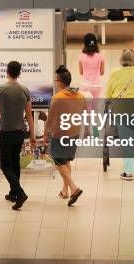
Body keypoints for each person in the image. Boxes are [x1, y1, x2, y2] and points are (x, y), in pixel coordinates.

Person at [0, 61, 35, 210]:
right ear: (19, 73)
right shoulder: (25, 90)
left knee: (5, 164)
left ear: (7, 71)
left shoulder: (0, 89)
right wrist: (32, 134)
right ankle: (13, 193)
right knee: (14, 162)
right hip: (20, 132)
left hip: (6, 132)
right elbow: (29, 115)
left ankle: (19, 193)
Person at [44, 65, 86, 206]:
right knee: (66, 161)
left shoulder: (57, 98)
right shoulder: (80, 96)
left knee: (59, 162)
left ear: (60, 82)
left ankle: (74, 188)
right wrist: (87, 132)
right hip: (74, 134)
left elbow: (50, 119)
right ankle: (65, 190)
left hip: (60, 134)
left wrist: (44, 134)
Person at [105, 49, 134, 181]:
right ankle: (133, 162)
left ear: (121, 60)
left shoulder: (115, 73)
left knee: (126, 141)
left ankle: (128, 172)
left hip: (121, 109)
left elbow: (108, 94)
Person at [79, 33, 105, 98]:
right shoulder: (100, 57)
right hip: (97, 86)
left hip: (85, 85)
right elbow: (102, 72)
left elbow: (81, 72)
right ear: (96, 44)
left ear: (85, 44)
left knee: (86, 106)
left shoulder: (81, 56)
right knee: (95, 106)